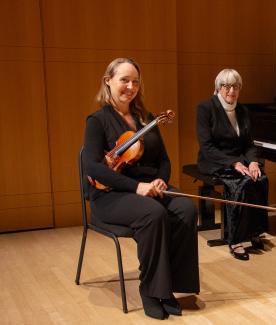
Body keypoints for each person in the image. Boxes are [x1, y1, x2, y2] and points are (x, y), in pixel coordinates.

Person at [82, 58, 199, 319]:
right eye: (124, 80)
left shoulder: (146, 118)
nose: (131, 86)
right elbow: (92, 166)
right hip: (111, 195)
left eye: (135, 81)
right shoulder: (98, 121)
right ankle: (150, 289)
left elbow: (164, 160)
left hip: (148, 188)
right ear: (108, 81)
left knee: (185, 208)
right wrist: (137, 187)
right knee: (152, 213)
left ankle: (168, 287)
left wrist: (161, 180)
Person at [196, 68, 269, 261]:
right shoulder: (205, 108)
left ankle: (254, 231)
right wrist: (234, 163)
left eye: (235, 86)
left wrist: (253, 161)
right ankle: (234, 239)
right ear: (218, 88)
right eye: (226, 86)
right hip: (214, 160)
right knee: (240, 184)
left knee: (260, 178)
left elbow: (249, 143)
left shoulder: (243, 110)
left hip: (239, 160)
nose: (231, 91)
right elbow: (206, 146)